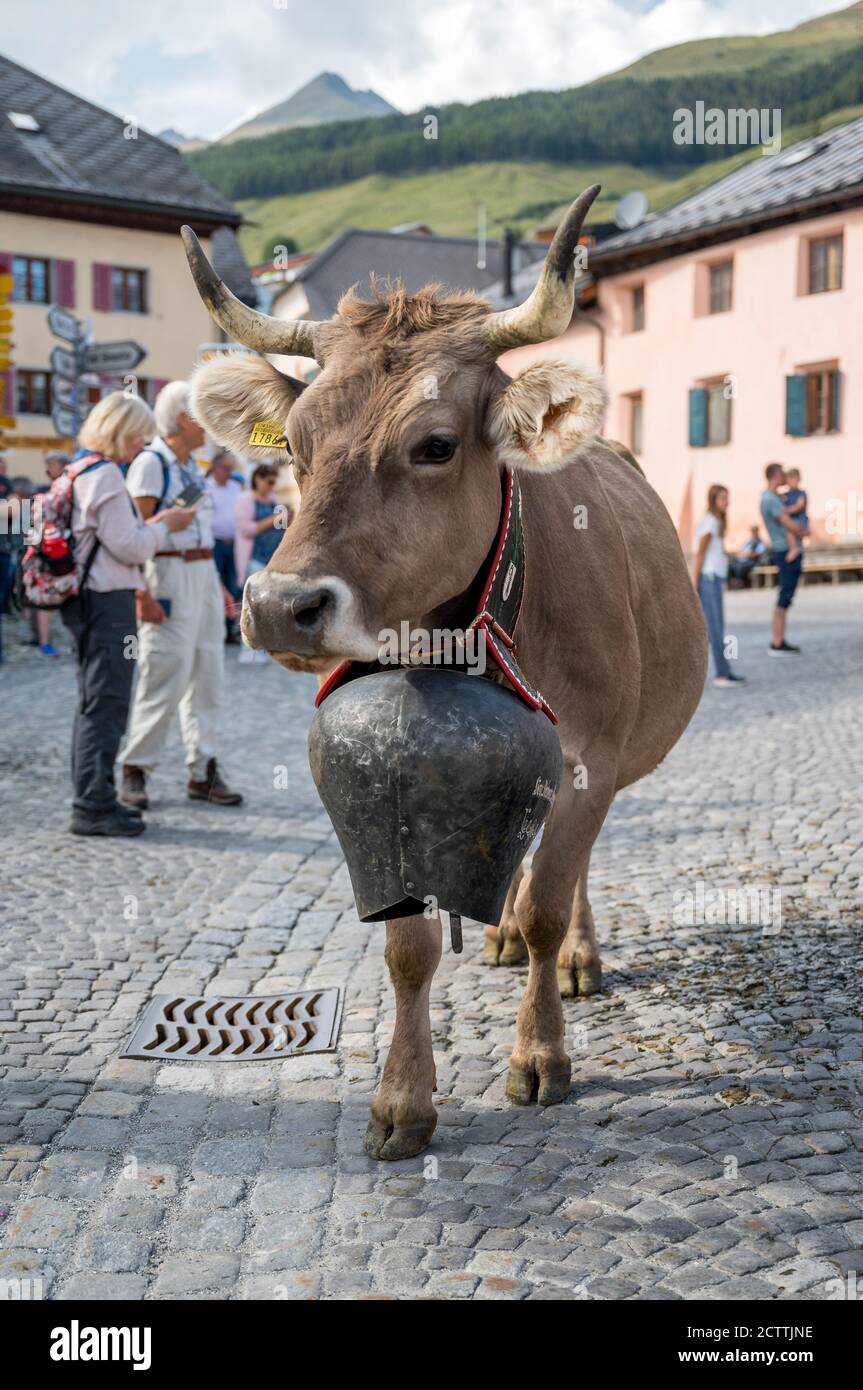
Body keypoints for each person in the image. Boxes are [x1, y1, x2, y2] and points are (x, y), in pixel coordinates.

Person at [61, 391, 194, 836]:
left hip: (87, 599)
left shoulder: (79, 469)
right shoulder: (105, 477)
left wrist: (148, 529)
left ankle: (93, 798)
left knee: (94, 701)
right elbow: (130, 546)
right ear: (121, 431)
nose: (141, 446)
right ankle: (94, 806)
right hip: (107, 601)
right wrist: (164, 527)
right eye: (138, 436)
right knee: (108, 702)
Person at [120, 380, 242, 810]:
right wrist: (141, 593)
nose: (210, 422)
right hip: (167, 573)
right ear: (185, 418)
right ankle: (135, 767)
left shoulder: (190, 465)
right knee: (163, 674)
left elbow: (201, 528)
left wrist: (219, 584)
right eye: (203, 413)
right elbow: (133, 533)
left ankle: (203, 768)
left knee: (209, 673)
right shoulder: (151, 464)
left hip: (201, 571)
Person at [234, 465, 290, 665]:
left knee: (267, 608)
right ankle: (247, 648)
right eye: (270, 481)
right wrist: (273, 520)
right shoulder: (245, 499)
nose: (272, 486)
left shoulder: (274, 501)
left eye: (274, 482)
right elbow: (246, 529)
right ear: (258, 479)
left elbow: (280, 528)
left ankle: (264, 648)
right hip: (254, 558)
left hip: (271, 560)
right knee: (250, 607)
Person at [692, 483, 745, 689]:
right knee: (715, 629)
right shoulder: (710, 523)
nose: (726, 502)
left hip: (715, 578)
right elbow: (700, 554)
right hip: (708, 579)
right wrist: (694, 583)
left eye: (727, 497)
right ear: (713, 500)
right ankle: (722, 674)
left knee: (716, 628)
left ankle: (723, 671)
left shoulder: (717, 522)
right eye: (722, 498)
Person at [760, 463, 804, 656]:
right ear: (776, 476)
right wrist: (803, 530)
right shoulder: (770, 499)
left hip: (785, 549)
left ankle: (780, 640)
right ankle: (776, 642)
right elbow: (787, 522)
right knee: (784, 597)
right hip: (785, 551)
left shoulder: (772, 498)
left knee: (786, 597)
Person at [206, 449, 243, 642]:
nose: (229, 472)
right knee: (214, 586)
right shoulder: (205, 487)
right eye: (225, 468)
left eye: (231, 469)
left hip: (233, 543)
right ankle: (215, 628)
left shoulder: (236, 488)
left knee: (232, 586)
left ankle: (229, 630)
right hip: (214, 545)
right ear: (215, 467)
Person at [781, 468, 809, 564]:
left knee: (790, 531)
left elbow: (799, 506)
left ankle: (794, 549)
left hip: (799, 520)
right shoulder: (785, 495)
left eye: (794, 479)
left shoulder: (802, 493)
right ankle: (794, 549)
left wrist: (787, 511)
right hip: (791, 521)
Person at [728, 525, 767, 589]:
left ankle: (740, 582)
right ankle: (732, 582)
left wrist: (746, 554)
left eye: (754, 531)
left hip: (752, 561)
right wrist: (740, 554)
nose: (753, 533)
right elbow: (741, 550)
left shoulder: (760, 542)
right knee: (731, 565)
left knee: (740, 567)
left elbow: (757, 553)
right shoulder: (748, 542)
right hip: (742, 559)